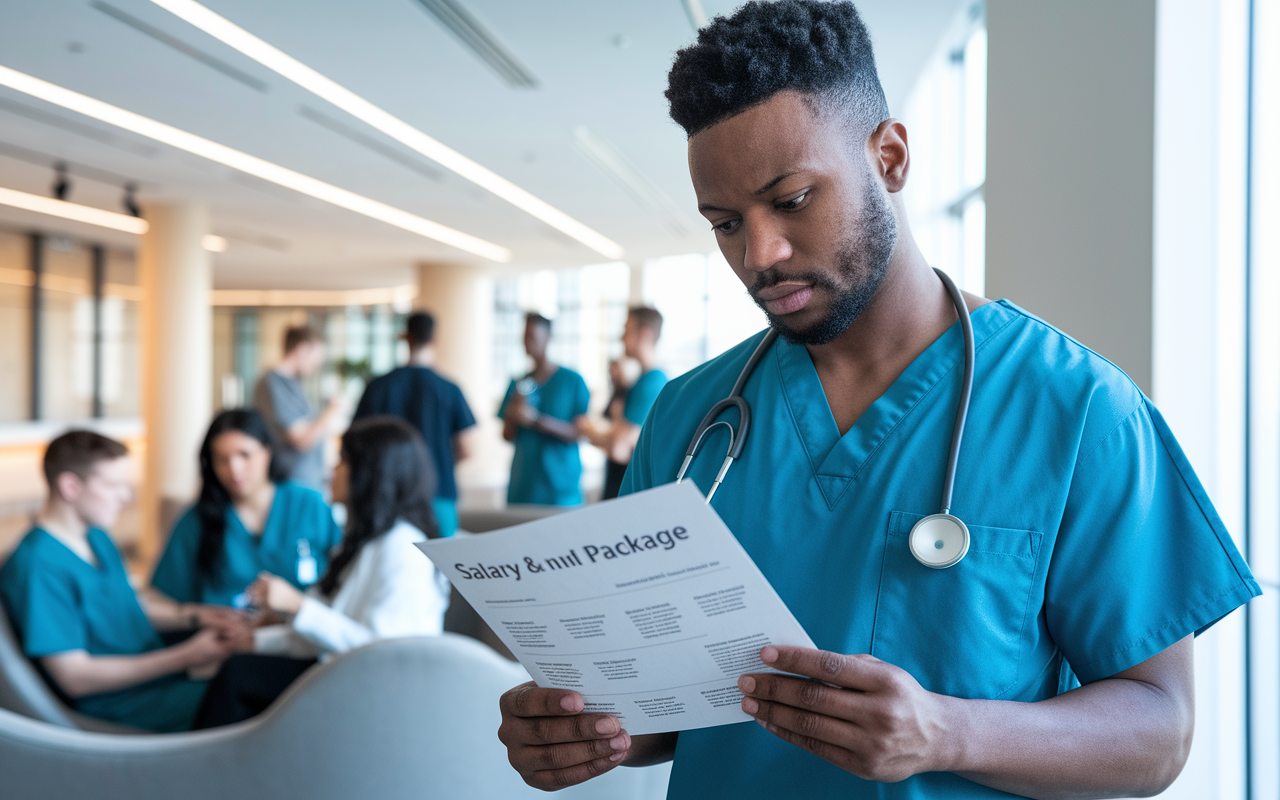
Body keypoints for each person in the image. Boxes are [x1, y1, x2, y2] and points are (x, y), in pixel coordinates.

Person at [495, 3, 1260, 799]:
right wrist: (590, 730)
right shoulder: (691, 419)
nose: (759, 255)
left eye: (790, 200)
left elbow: (1159, 731)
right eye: (725, 224)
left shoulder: (1079, 410)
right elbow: (670, 708)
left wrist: (946, 732)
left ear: (889, 156)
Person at [194, 417, 449, 727]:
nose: (331, 471)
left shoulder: (401, 548)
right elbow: (327, 632)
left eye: (343, 461)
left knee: (238, 676)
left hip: (373, 688)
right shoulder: (365, 542)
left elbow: (379, 651)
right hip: (342, 671)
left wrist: (297, 606)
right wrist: (259, 640)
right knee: (239, 668)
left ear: (371, 473)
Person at [0, 431, 249, 732]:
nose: (126, 498)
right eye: (113, 486)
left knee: (257, 675)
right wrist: (186, 656)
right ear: (70, 486)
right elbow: (75, 678)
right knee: (254, 697)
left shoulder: (96, 537)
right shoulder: (37, 564)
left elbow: (123, 605)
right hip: (121, 707)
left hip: (158, 685)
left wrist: (196, 616)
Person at [152, 409, 343, 609]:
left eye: (245, 455)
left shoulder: (309, 504)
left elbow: (345, 578)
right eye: (222, 459)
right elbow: (168, 598)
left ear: (267, 452)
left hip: (301, 635)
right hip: (229, 637)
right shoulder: (196, 520)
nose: (234, 468)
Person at [352, 311, 477, 537]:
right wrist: (432, 466)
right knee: (444, 569)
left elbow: (358, 445)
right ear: (435, 339)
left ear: (404, 337)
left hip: (385, 498)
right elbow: (467, 449)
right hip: (439, 494)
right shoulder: (449, 390)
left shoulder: (378, 388)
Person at [499, 313, 590, 506]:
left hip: (559, 491)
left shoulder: (572, 381)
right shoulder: (518, 383)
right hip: (523, 489)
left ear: (547, 337)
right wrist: (514, 414)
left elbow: (580, 432)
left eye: (532, 336)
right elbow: (507, 435)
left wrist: (535, 420)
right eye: (524, 337)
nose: (527, 343)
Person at [578, 307, 668, 499]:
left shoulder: (653, 382)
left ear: (644, 334)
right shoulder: (638, 383)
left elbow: (618, 448)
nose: (622, 338)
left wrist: (588, 431)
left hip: (629, 490)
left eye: (627, 330)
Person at [253, 324, 343, 493]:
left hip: (309, 482)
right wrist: (332, 411)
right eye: (316, 358)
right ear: (302, 349)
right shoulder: (273, 384)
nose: (317, 365)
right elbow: (301, 439)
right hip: (294, 483)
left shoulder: (294, 384)